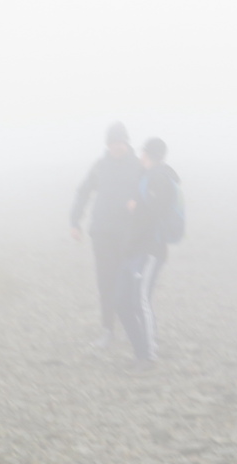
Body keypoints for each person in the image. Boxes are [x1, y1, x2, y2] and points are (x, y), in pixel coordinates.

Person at [70, 122, 142, 349]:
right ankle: (108, 330)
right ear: (108, 144)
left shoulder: (139, 166)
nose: (117, 146)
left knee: (131, 281)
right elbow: (83, 191)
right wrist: (75, 221)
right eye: (113, 142)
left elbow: (153, 194)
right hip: (101, 232)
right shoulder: (100, 166)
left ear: (127, 142)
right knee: (105, 282)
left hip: (129, 234)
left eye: (120, 142)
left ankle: (137, 328)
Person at [117, 137, 180, 374]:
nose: (141, 156)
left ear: (148, 154)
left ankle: (148, 356)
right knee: (121, 301)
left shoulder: (160, 178)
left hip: (151, 251)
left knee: (140, 301)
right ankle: (140, 352)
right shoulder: (147, 177)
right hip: (134, 250)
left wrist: (136, 207)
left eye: (143, 152)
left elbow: (155, 212)